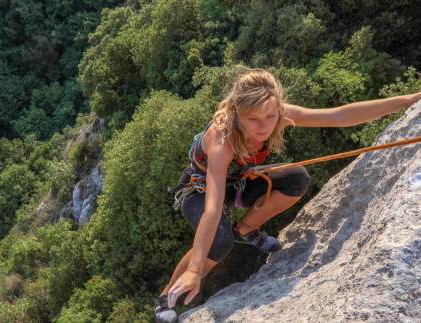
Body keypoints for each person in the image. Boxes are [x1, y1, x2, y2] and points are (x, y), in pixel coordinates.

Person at [154, 68, 421, 322]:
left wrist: (408, 100)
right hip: (200, 188)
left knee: (297, 179)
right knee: (219, 242)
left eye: (270, 117)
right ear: (237, 113)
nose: (264, 127)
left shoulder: (279, 114)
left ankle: (245, 230)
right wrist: (193, 271)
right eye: (253, 119)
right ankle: (166, 298)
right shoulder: (222, 139)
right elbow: (212, 209)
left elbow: (338, 115)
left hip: (240, 180)